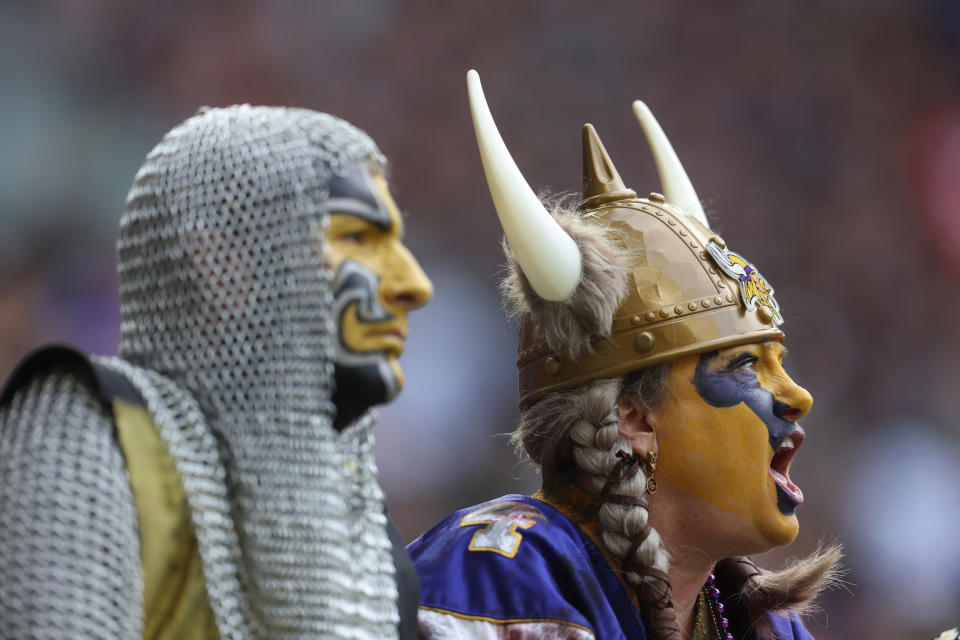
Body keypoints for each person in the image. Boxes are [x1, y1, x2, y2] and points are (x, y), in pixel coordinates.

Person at [407, 71, 840, 640]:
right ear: (635, 418)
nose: (796, 395)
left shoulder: (759, 623)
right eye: (745, 367)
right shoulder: (504, 568)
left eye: (777, 363)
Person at [0, 105, 432, 639]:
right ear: (223, 266)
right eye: (358, 239)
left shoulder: (365, 536)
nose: (414, 284)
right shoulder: (90, 435)